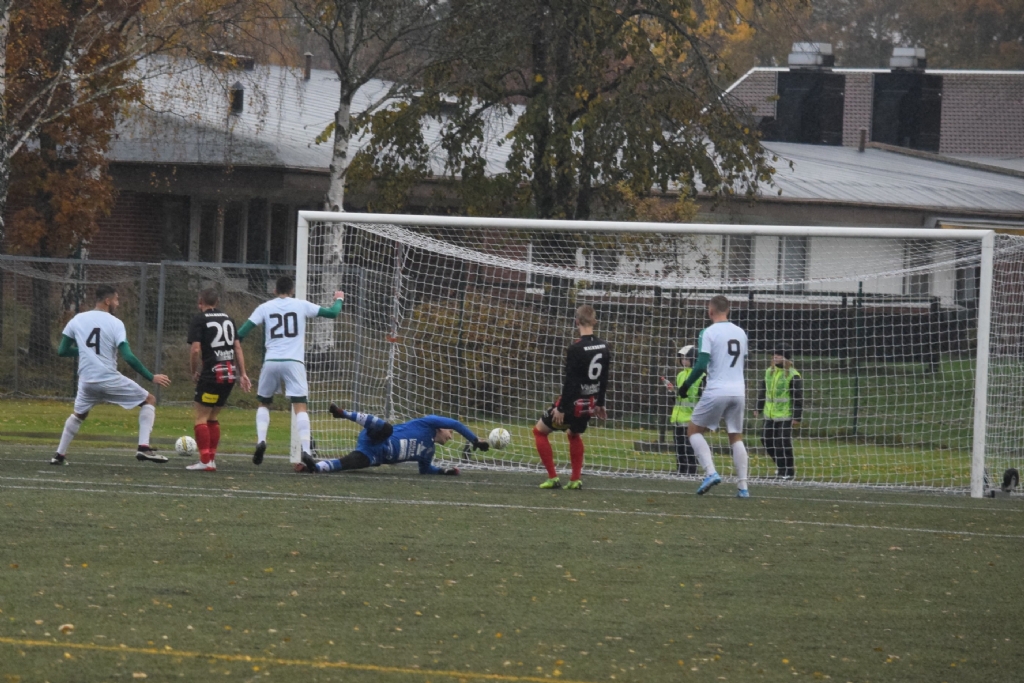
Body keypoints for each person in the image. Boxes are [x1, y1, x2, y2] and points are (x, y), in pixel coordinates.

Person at [52, 284, 172, 465]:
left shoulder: (77, 319)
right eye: (116, 299)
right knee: (149, 400)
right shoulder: (116, 323)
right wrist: (151, 377)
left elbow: (62, 351)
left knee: (79, 415)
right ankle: (143, 448)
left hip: (87, 382)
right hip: (107, 379)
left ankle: (59, 455)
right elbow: (128, 357)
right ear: (107, 301)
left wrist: (85, 351)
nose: (118, 303)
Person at [237, 276, 343, 465]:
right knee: (300, 407)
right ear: (292, 291)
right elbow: (333, 313)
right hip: (294, 362)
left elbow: (241, 333)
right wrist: (339, 299)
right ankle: (306, 451)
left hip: (271, 361)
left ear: (275, 290)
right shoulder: (301, 305)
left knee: (264, 403)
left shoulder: (265, 307)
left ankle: (261, 440)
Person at [533, 304, 612, 490]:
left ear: (576, 321)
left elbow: (570, 382)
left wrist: (561, 408)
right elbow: (604, 377)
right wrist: (600, 402)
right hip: (590, 403)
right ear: (595, 321)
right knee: (573, 434)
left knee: (539, 432)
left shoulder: (576, 348)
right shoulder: (604, 346)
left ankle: (553, 477)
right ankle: (575, 479)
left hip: (573, 403)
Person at [677, 295, 749, 497]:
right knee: (735, 436)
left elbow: (701, 365)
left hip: (717, 389)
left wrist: (685, 386)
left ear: (710, 311)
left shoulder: (708, 332)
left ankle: (710, 472)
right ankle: (743, 487)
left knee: (693, 430)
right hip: (739, 390)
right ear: (728, 310)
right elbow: (743, 360)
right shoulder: (741, 332)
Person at [298, 404, 490, 474]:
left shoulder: (428, 451)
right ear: (440, 427)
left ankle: (314, 467)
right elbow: (455, 423)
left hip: (374, 455)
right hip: (378, 436)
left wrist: (444, 471)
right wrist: (475, 440)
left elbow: (425, 470)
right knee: (387, 428)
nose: (451, 435)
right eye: (450, 432)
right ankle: (344, 414)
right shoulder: (428, 423)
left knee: (347, 464)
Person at [184, 288, 252, 472]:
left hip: (211, 374)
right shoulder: (229, 319)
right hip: (229, 375)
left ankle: (205, 461)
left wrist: (193, 371)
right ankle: (211, 460)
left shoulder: (199, 319)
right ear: (218, 302)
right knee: (212, 417)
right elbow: (237, 348)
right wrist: (243, 374)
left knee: (201, 417)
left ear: (200, 302)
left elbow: (195, 350)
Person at [754, 344, 803, 479]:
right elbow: (763, 391)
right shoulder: (769, 372)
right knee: (765, 439)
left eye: (779, 355)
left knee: (782, 442)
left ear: (786, 358)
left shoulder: (793, 375)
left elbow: (797, 397)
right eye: (774, 354)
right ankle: (781, 466)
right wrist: (758, 407)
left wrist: (796, 416)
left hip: (785, 415)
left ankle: (788, 471)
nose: (775, 357)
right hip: (769, 414)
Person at [666, 345, 704, 475]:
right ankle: (681, 470)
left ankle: (692, 470)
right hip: (678, 418)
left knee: (690, 447)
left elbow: (702, 397)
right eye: (682, 358)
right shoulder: (680, 375)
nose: (683, 360)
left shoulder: (701, 376)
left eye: (686, 358)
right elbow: (679, 398)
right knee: (679, 446)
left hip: (691, 418)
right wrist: (672, 392)